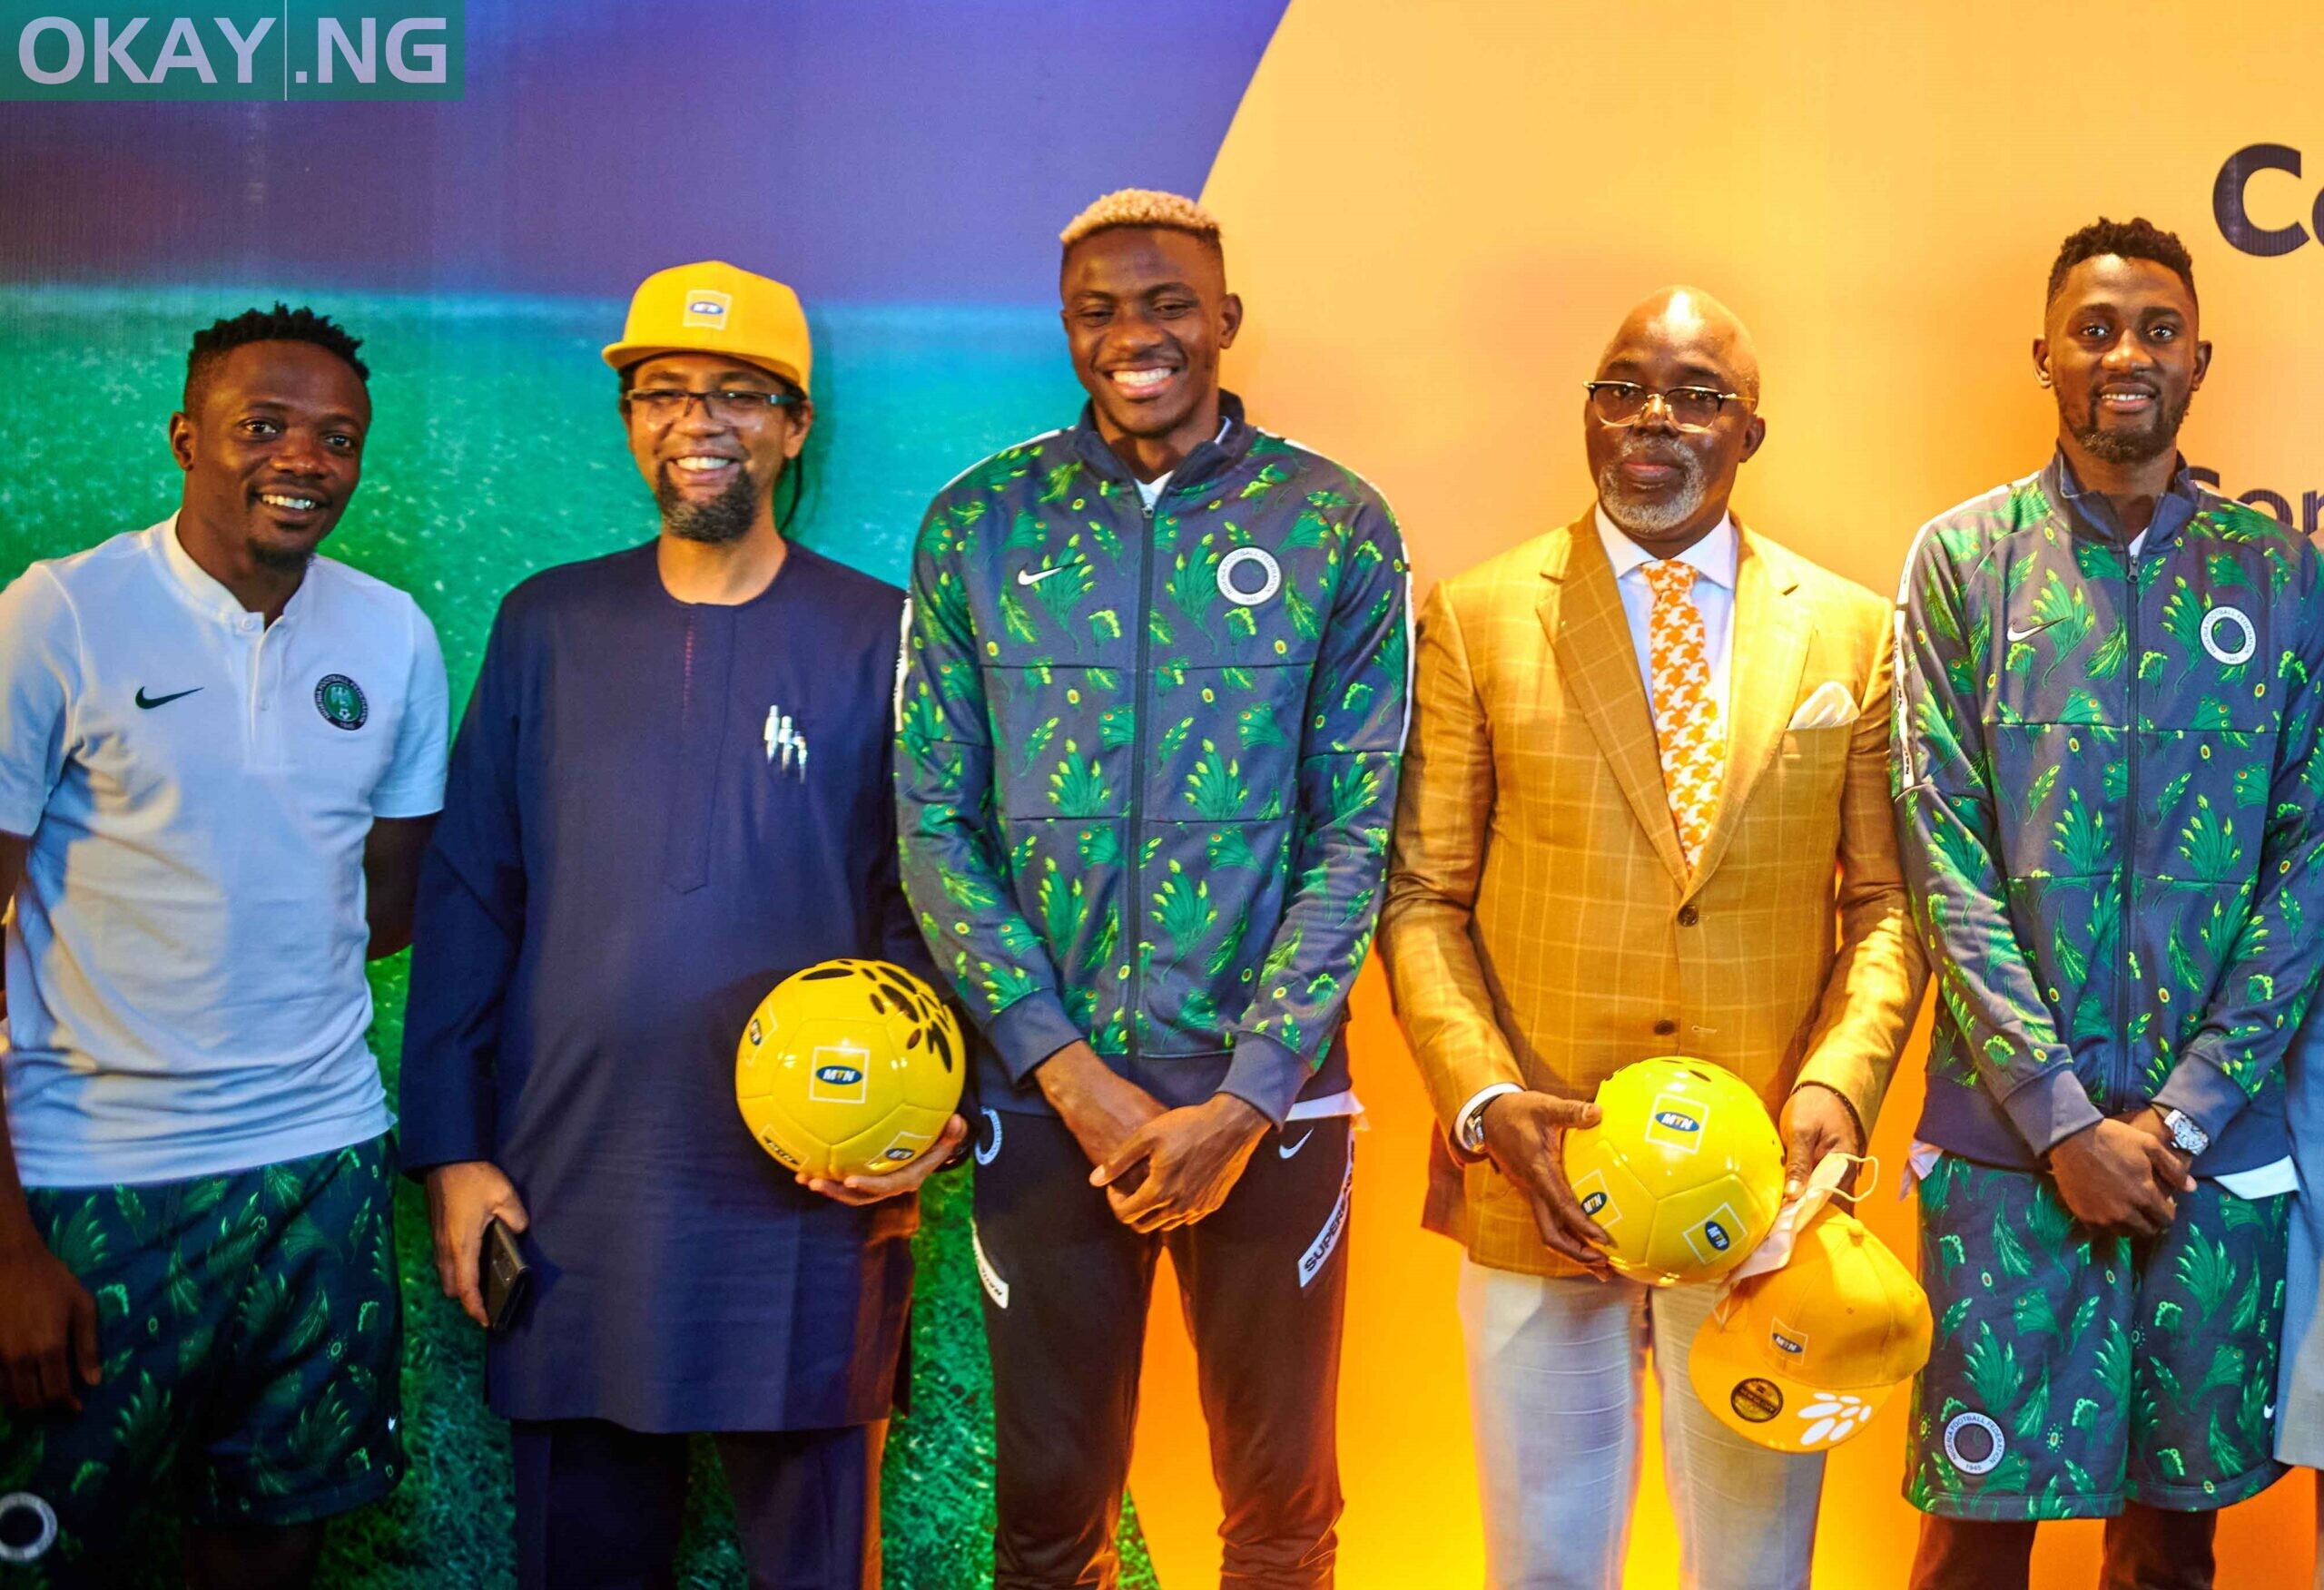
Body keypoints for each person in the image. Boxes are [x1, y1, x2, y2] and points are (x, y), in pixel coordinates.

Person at [399, 261, 960, 1590]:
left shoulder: (884, 635)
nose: (695, 421)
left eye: (735, 395)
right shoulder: (547, 622)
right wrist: (451, 1154)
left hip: (812, 1195)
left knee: (818, 1559)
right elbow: (473, 894)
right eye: (661, 393)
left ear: (794, 423)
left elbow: (929, 907)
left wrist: (931, 1112)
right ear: (631, 420)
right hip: (570, 1189)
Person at [894, 190, 1409, 1589]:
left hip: (1274, 1110)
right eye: (1100, 312)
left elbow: (1356, 834)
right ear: (1068, 329)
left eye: (1168, 305)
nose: (1137, 337)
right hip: (1045, 1109)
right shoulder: (978, 527)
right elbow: (933, 826)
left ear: (1225, 321)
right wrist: (1070, 1076)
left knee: (1282, 1514)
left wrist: (1242, 1102)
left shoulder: (1336, 526)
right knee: (1050, 1518)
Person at [1378, 286, 1924, 1589]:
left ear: (1752, 432)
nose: (1653, 421)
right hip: (1535, 1183)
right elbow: (1422, 899)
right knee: (1544, 1563)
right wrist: (1488, 1103)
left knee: (1755, 1564)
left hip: (1762, 1205)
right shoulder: (1478, 613)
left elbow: (1887, 910)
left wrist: (1836, 1095)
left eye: (1695, 396)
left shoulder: (1850, 628)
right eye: (1622, 389)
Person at [1894, 216, 2324, 1590]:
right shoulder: (1965, 561)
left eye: (2154, 329)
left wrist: (2183, 1111)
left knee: (2171, 1549)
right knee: (1975, 1539)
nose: (2124, 354)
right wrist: (2065, 1119)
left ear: (2201, 357)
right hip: (2008, 1150)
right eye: (2094, 329)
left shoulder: (2281, 577)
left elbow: (2308, 863)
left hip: (2210, 1152)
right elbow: (1939, 853)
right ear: (2046, 358)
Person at [0, 307, 447, 1589]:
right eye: (263, 427)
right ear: (188, 438)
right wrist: (5, 1248)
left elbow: (387, 903)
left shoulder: (393, 636)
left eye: (337, 438)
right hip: (95, 1181)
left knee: (270, 1538)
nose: (302, 459)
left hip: (322, 1168)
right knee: (44, 1552)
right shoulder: (61, 617)